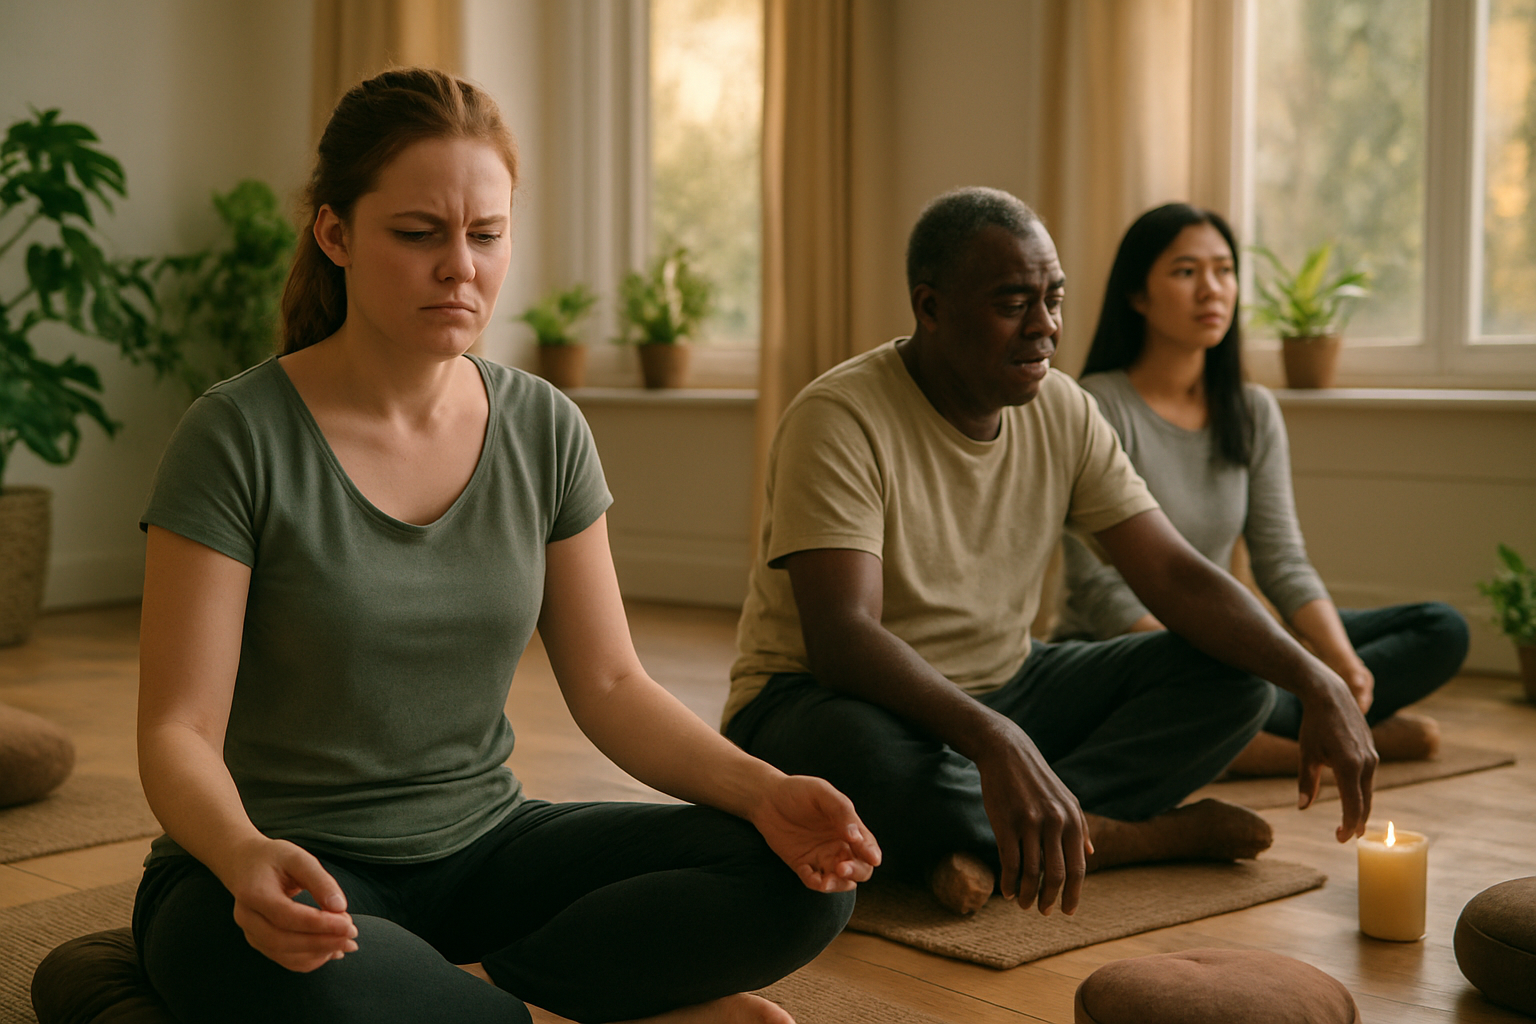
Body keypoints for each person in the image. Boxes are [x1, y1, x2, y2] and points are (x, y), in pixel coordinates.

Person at [133, 68, 879, 1024]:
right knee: (298, 982)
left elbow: (612, 686)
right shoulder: (234, 435)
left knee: (796, 881)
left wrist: (766, 792)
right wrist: (240, 855)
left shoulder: (544, 427)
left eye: (486, 235)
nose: (461, 268)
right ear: (336, 235)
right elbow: (177, 731)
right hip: (284, 870)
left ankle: (491, 1000)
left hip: (487, 851)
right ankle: (565, 1007)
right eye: (418, 234)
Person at [723, 186, 1377, 920]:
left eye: (1054, 299)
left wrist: (1313, 675)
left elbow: (1172, 571)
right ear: (930, 308)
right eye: (1013, 304)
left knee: (1241, 681)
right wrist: (993, 739)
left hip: (1008, 682)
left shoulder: (1064, 408)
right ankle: (1126, 837)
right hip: (819, 699)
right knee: (867, 762)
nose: (1045, 328)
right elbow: (842, 638)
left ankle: (1005, 830)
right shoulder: (838, 417)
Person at [1058, 202, 1468, 777]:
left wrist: (1337, 664)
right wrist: (1249, 656)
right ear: (1137, 295)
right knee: (1230, 680)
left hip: (1234, 634)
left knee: (1441, 629)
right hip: (1131, 650)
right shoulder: (1093, 406)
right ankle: (1323, 739)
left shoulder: (1251, 410)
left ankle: (1286, 729)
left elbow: (1282, 560)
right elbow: (1100, 589)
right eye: (1185, 271)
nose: (1212, 289)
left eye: (1224, 270)